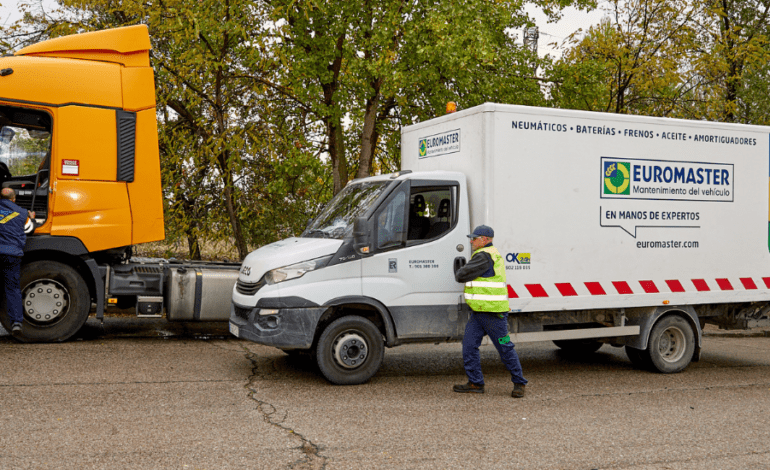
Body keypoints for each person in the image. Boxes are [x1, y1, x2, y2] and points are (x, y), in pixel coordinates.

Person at [453, 225, 528, 398]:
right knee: (469, 347)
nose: (471, 241)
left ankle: (519, 383)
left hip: (494, 315)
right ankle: (475, 383)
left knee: (505, 348)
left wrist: (460, 268)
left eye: (474, 238)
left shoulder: (484, 256)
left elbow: (461, 275)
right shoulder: (487, 254)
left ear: (485, 240)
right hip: (479, 313)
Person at [0, 187, 34, 336]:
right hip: (11, 254)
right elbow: (30, 229)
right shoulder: (22, 213)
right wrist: (31, 218)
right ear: (14, 199)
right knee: (12, 288)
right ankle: (16, 323)